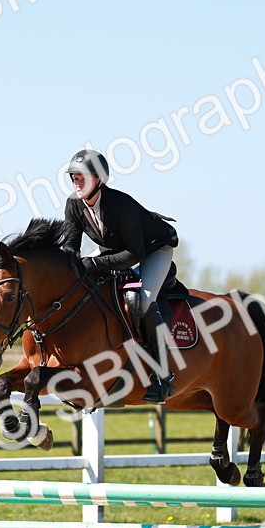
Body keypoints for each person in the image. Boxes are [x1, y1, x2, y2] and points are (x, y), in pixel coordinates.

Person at [61, 149, 180, 404]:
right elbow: (71, 246)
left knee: (142, 301)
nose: (76, 182)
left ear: (99, 179)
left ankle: (163, 376)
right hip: (115, 250)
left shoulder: (121, 204)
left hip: (151, 250)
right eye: (73, 177)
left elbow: (134, 254)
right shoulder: (73, 204)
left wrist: (93, 263)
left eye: (81, 177)